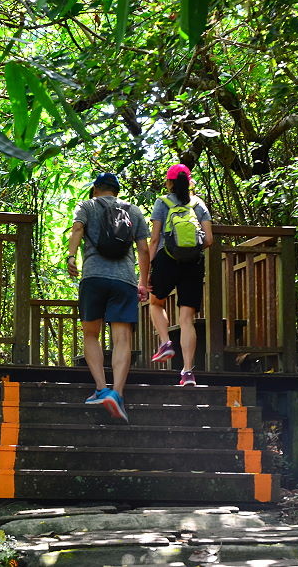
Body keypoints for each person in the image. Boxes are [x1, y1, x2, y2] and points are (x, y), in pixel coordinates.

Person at [67, 172, 150, 422]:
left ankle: (101, 389)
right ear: (116, 191)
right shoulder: (133, 211)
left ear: (95, 189)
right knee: (122, 338)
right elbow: (144, 249)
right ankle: (117, 393)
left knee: (91, 334)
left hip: (93, 277)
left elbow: (77, 228)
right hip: (124, 280)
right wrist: (143, 282)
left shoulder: (87, 205)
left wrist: (71, 256)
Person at [147, 164, 214, 386]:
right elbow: (209, 240)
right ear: (189, 181)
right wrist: (191, 252)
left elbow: (155, 239)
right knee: (187, 319)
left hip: (167, 259)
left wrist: (148, 269)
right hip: (193, 263)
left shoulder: (162, 202)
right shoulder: (199, 204)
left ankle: (166, 343)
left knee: (155, 302)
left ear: (169, 182)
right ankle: (187, 372)